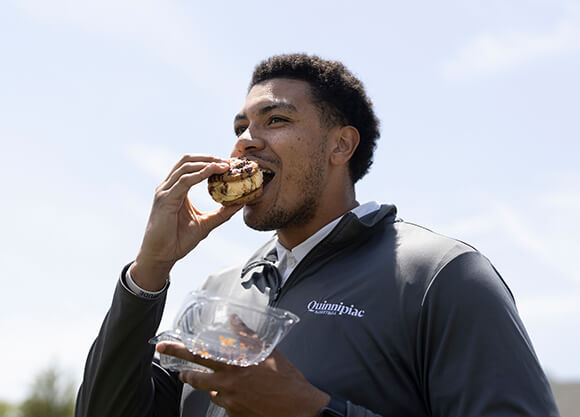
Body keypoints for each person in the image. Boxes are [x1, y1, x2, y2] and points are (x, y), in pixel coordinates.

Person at [75, 54, 560, 417]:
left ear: (340, 145)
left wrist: (310, 409)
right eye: (241, 126)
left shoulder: (439, 275)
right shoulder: (217, 293)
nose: (245, 140)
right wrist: (150, 271)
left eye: (276, 120)